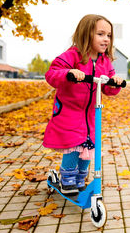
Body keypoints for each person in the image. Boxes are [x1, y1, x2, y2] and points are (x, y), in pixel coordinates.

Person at [43, 14, 124, 194]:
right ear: (86, 34)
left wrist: (114, 82)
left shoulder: (105, 61)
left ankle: (80, 178)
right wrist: (69, 73)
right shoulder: (72, 55)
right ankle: (67, 178)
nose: (106, 39)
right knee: (73, 145)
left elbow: (109, 89)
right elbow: (52, 74)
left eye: (109, 36)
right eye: (101, 34)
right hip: (70, 112)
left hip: (91, 114)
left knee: (89, 147)